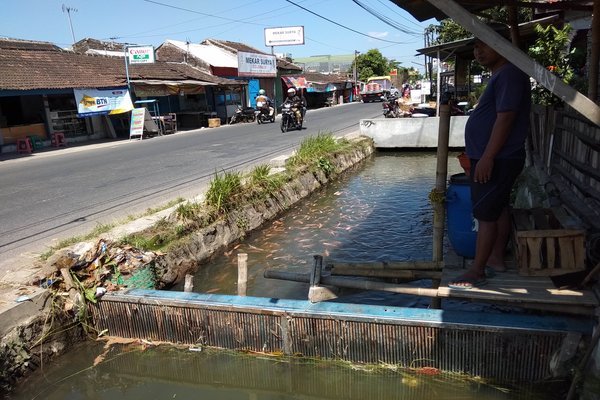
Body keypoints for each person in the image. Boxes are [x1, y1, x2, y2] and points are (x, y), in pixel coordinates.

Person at [448, 34, 531, 289]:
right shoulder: (502, 75)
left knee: (484, 213)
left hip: (498, 158)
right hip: (496, 157)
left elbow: (505, 118)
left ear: (502, 45)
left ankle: (477, 271)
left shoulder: (509, 74)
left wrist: (487, 157)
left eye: (484, 44)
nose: (478, 51)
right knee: (497, 208)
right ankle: (495, 258)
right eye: (476, 46)